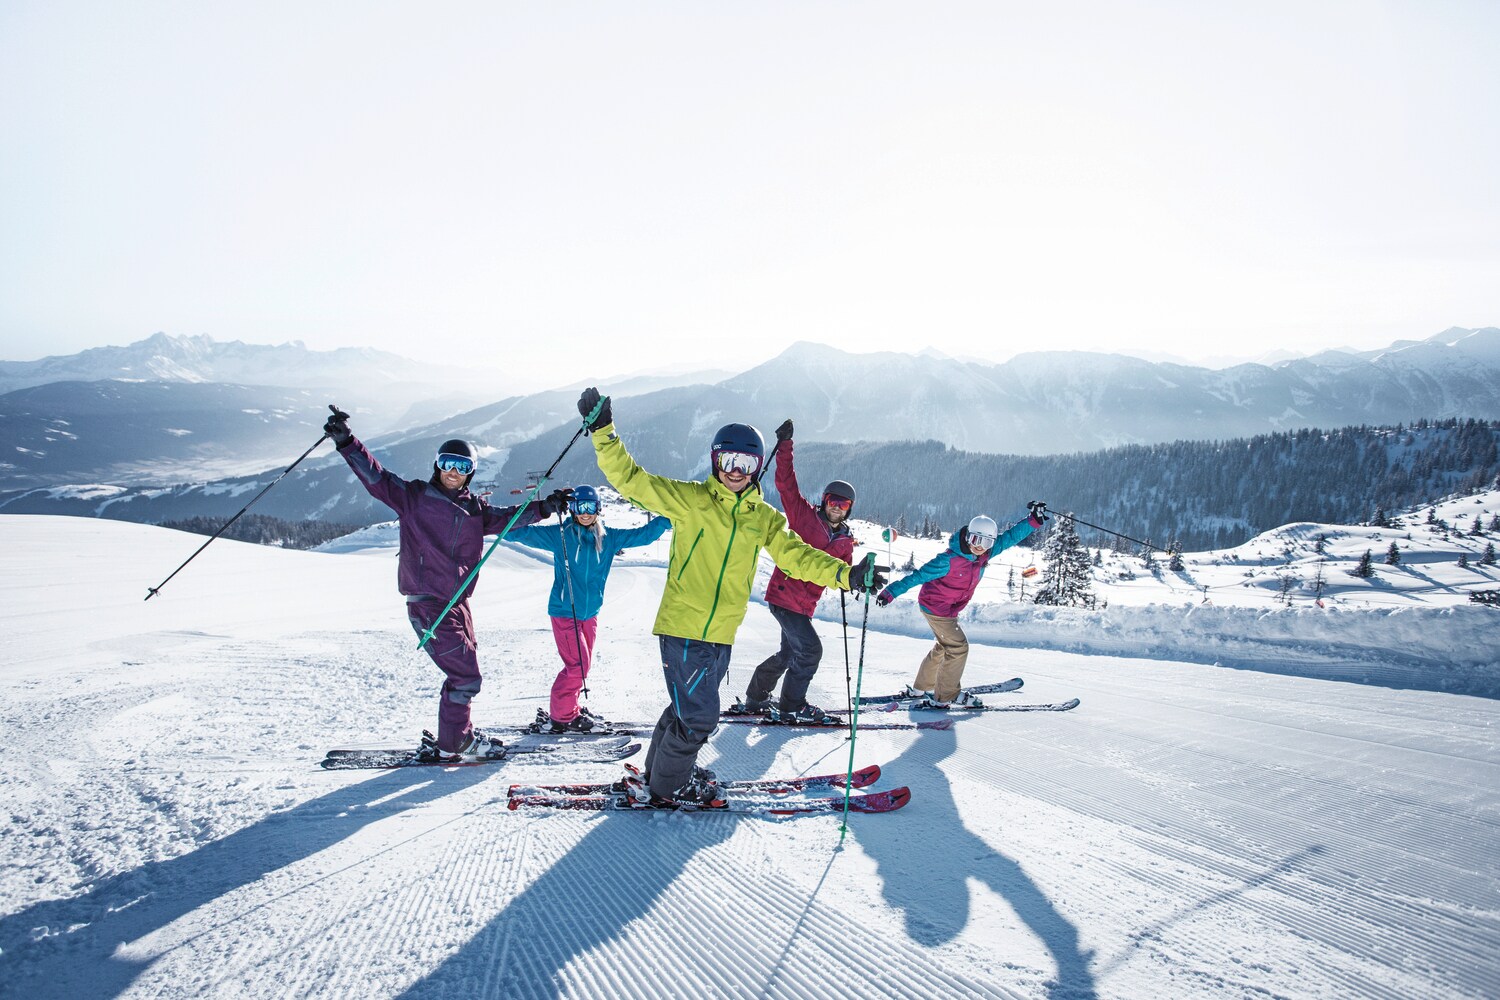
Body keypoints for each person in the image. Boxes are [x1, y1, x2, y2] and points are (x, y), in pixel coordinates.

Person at [576, 387, 886, 806]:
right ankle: (668, 788)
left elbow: (797, 557)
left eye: (745, 463)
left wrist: (846, 575)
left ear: (757, 467)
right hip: (684, 629)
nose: (735, 470)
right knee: (700, 717)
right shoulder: (691, 501)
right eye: (728, 460)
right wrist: (602, 431)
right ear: (715, 460)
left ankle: (659, 774)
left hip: (721, 633)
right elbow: (632, 479)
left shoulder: (763, 519)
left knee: (684, 710)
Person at [323, 406, 571, 760]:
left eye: (463, 467)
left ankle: (456, 735)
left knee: (463, 674)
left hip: (456, 604)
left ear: (471, 473)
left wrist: (545, 506)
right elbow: (376, 478)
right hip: (428, 604)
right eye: (448, 464)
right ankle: (456, 743)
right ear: (437, 465)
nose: (454, 473)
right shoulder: (413, 498)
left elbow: (509, 518)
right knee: (466, 677)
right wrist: (347, 442)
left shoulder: (475, 510)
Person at [507, 484, 670, 734]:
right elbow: (516, 533)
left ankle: (568, 705)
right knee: (578, 666)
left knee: (582, 665)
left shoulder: (609, 537)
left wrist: (669, 518)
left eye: (590, 507)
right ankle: (562, 716)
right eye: (579, 507)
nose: (585, 513)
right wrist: (539, 511)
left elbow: (644, 535)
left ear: (598, 509)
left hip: (590, 614)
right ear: (571, 509)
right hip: (564, 611)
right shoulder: (560, 535)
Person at [735, 418, 856, 725]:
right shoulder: (803, 516)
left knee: (789, 655)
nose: (836, 508)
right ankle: (791, 705)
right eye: (832, 501)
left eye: (843, 504)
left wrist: (858, 579)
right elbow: (786, 483)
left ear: (849, 509)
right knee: (810, 651)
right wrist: (785, 445)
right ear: (824, 501)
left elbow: (844, 573)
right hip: (784, 597)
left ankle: (757, 696)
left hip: (805, 605)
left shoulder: (845, 541)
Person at [876, 502, 1048, 708]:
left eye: (986, 542)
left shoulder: (984, 554)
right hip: (935, 607)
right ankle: (945, 696)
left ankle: (920, 689)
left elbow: (1010, 537)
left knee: (943, 646)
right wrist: (891, 592)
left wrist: (1033, 521)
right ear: (968, 536)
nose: (980, 546)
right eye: (976, 539)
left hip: (949, 609)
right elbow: (917, 576)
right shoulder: (948, 560)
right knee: (958, 647)